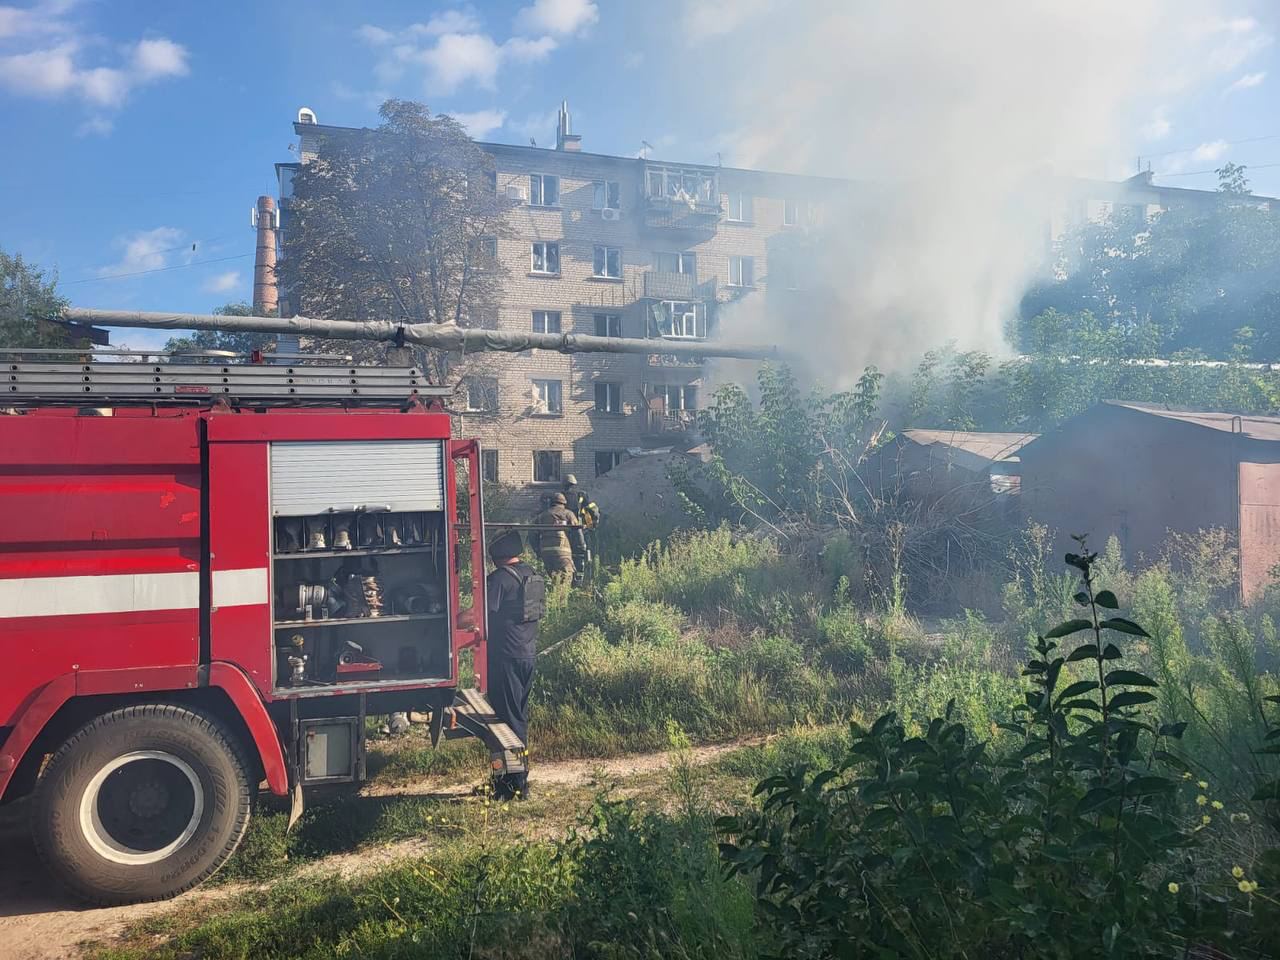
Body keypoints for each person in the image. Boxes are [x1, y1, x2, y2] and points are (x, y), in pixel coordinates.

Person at [484, 529, 544, 800]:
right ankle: (506, 781)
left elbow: (479, 616)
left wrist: (449, 626)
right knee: (517, 718)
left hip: (505, 660)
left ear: (495, 553)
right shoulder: (531, 575)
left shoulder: (498, 580)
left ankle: (514, 786)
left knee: (506, 725)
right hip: (526, 657)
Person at [532, 492, 582, 585]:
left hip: (546, 554)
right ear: (564, 503)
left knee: (554, 580)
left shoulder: (541, 516)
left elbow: (532, 534)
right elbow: (578, 531)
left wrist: (537, 550)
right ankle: (561, 594)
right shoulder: (568, 513)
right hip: (563, 553)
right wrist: (582, 546)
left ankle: (553, 593)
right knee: (565, 580)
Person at [561, 474, 600, 583]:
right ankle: (580, 580)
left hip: (563, 533)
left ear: (563, 484)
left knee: (564, 555)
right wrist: (593, 524)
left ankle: (565, 579)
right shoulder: (581, 495)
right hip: (580, 531)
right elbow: (594, 510)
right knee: (581, 555)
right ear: (575, 483)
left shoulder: (559, 496)